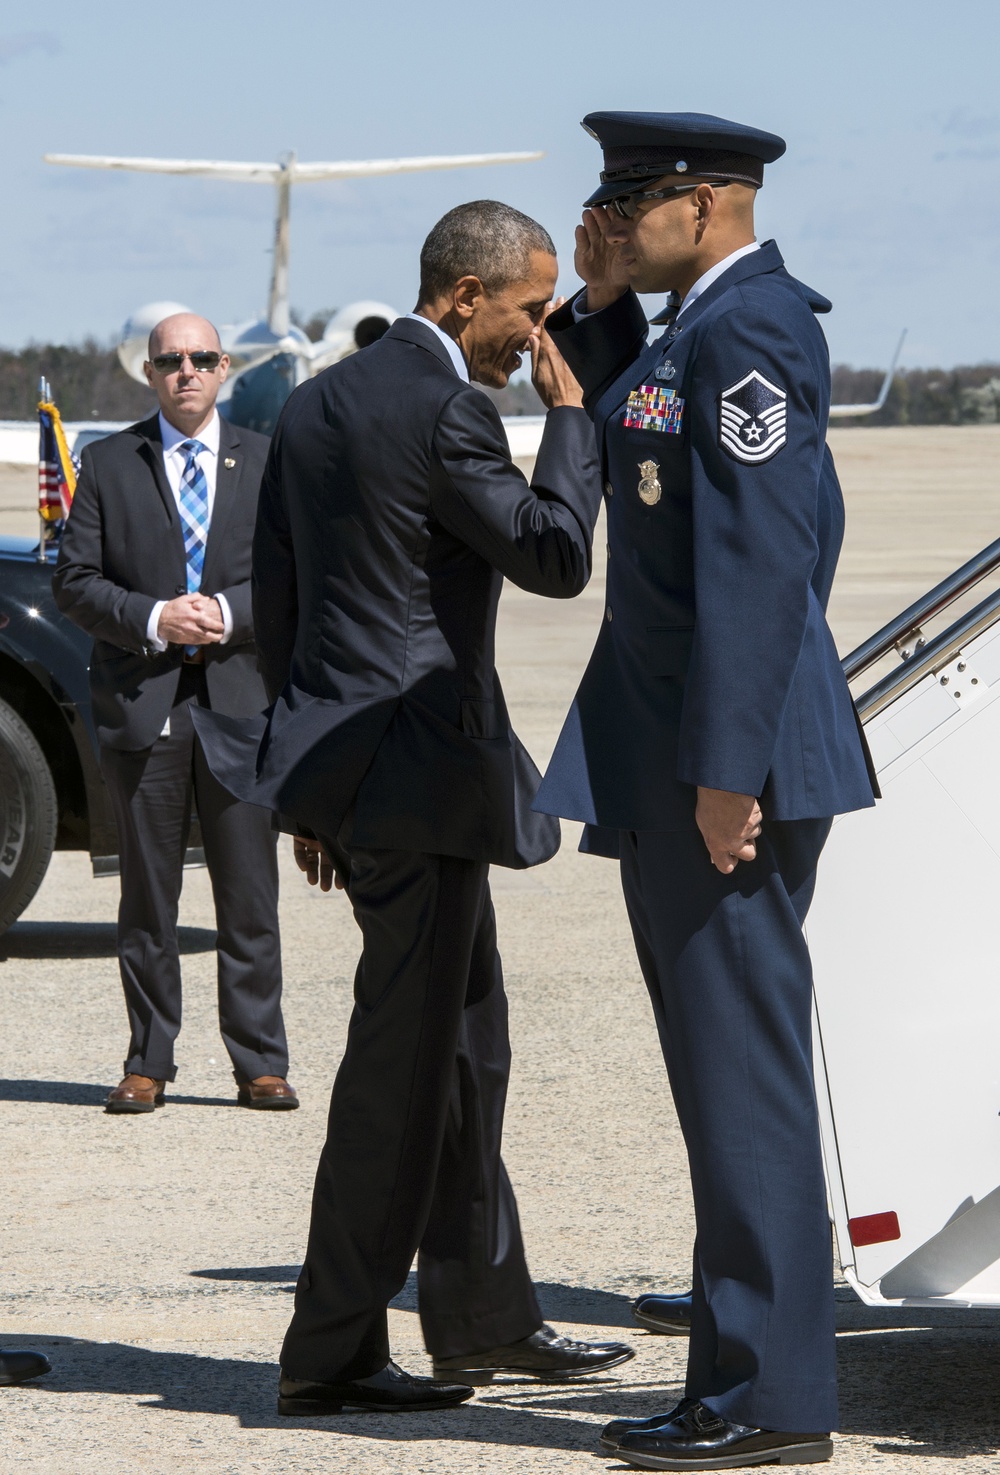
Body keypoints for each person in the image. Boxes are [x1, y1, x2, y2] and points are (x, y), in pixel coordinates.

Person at [197, 200, 634, 1415]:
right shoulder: (448, 407)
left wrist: (313, 791)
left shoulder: (316, 401)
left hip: (365, 775)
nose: (535, 329)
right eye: (528, 307)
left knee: (465, 1048)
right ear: (461, 297)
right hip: (422, 776)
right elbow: (551, 556)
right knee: (402, 1070)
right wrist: (574, 419)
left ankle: (486, 1318)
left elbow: (280, 604)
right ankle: (330, 1346)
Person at [534, 113, 879, 1469]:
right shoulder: (692, 331)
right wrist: (602, 305)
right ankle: (736, 1375)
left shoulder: (755, 331)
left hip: (717, 772)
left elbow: (761, 558)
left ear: (710, 200)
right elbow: (638, 438)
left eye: (632, 201)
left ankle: (773, 1399)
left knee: (745, 1082)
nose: (610, 219)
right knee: (722, 1079)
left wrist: (730, 769)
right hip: (684, 752)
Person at [53, 315, 296, 1114]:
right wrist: (157, 617)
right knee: (148, 902)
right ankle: (148, 1060)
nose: (185, 371)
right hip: (144, 706)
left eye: (199, 358)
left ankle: (260, 1060)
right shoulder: (109, 462)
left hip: (240, 706)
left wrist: (226, 613)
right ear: (149, 373)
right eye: (169, 361)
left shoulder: (267, 461)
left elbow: (297, 577)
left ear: (224, 367)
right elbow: (75, 581)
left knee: (249, 897)